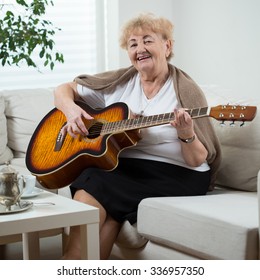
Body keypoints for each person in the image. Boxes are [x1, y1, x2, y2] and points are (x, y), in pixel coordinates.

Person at [54, 13, 221, 260]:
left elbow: (197, 160)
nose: (140, 49)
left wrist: (186, 135)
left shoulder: (185, 91)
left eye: (147, 40)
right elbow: (63, 89)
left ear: (167, 46)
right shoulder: (119, 83)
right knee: (104, 199)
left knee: (94, 180)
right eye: (133, 44)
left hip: (178, 174)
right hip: (128, 169)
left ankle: (71, 264)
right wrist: (71, 111)